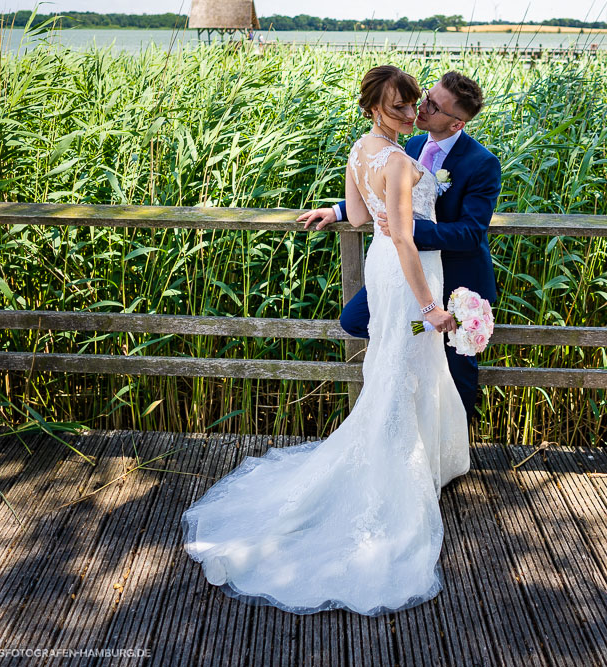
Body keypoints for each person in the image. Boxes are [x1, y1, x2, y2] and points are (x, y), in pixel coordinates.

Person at [182, 65, 471, 616]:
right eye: (397, 108)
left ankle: (420, 457)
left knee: (394, 364)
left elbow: (361, 218)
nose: (410, 116)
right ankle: (397, 473)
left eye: (413, 105)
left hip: (381, 268)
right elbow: (407, 240)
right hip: (411, 274)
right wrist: (432, 307)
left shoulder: (360, 152)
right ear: (373, 109)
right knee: (403, 364)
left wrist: (355, 210)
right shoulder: (402, 162)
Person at [298, 71, 501, 424]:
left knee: (456, 368)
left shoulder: (482, 163)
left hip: (457, 279)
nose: (419, 109)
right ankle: (410, 422)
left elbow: (471, 232)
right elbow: (391, 195)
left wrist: (412, 231)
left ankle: (451, 445)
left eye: (433, 107)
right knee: (360, 321)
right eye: (427, 96)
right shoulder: (408, 146)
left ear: (456, 124)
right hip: (410, 273)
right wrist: (338, 211)